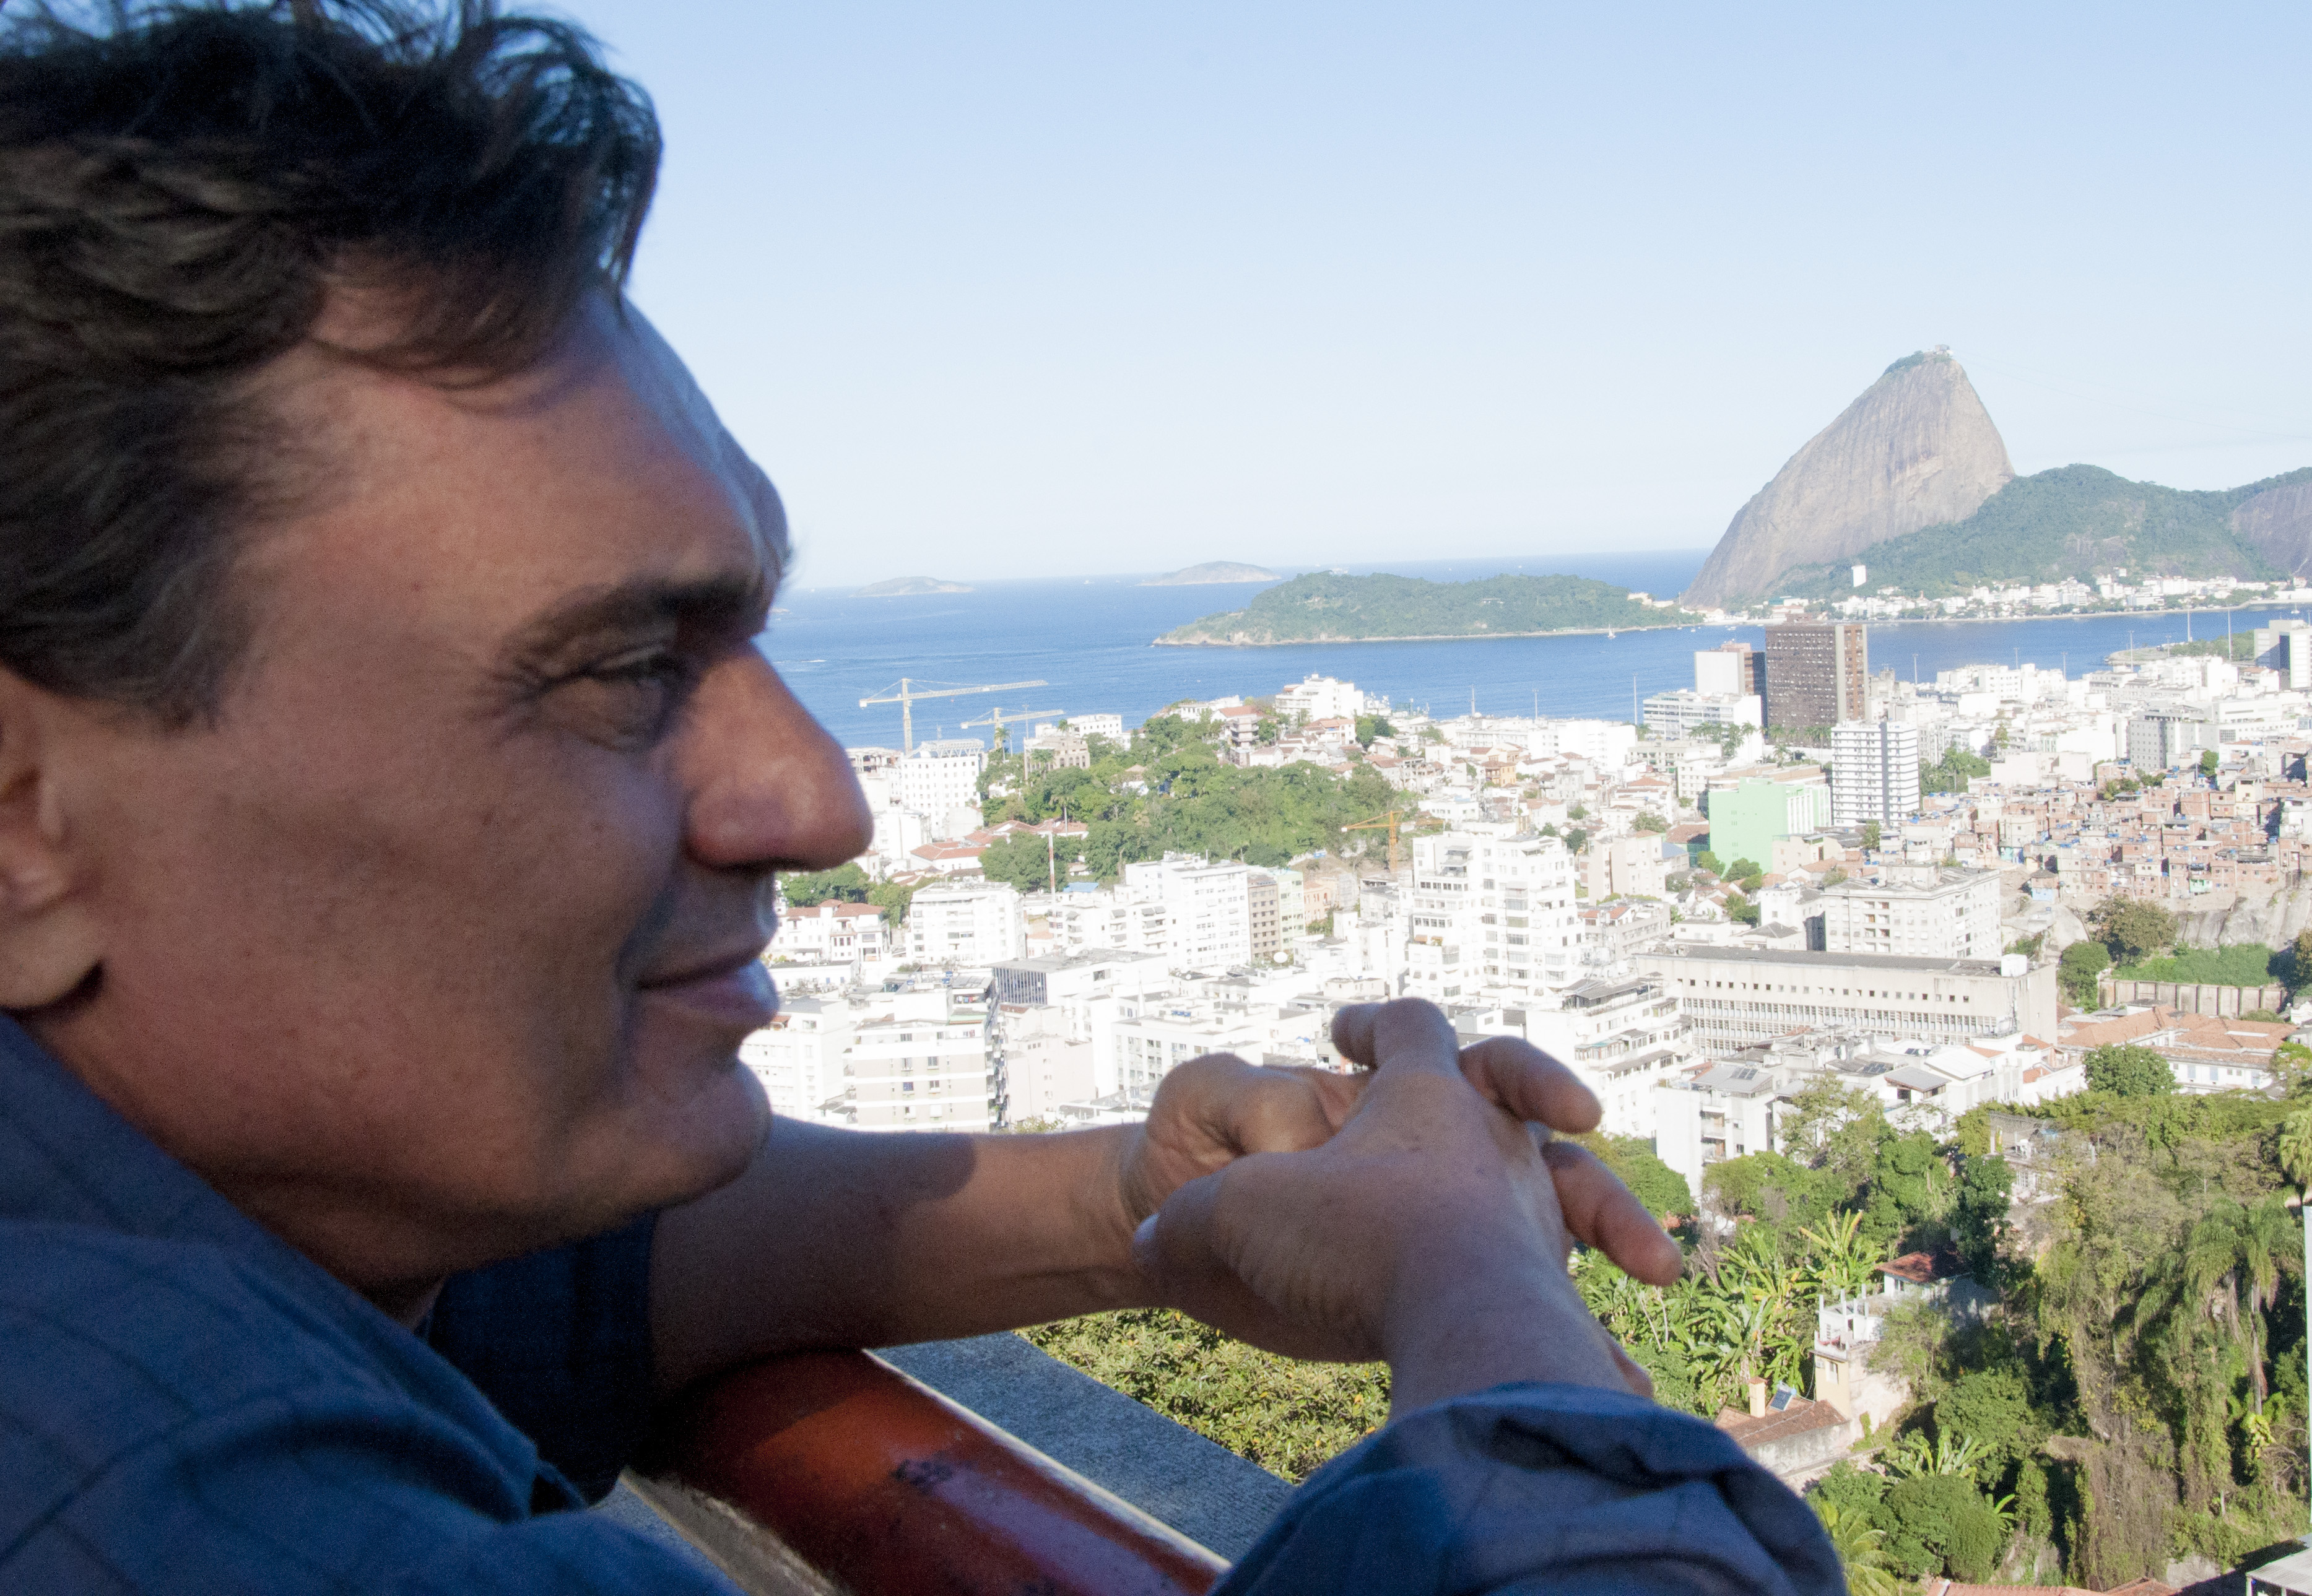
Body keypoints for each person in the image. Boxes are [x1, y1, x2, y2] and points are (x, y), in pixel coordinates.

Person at [0, 4, 1842, 1592]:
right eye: (621, 670)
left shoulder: (158, 1262)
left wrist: (1144, 1200)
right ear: (23, 825)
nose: (823, 802)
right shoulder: (194, 1522)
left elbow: (561, 1292)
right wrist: (1477, 1277)